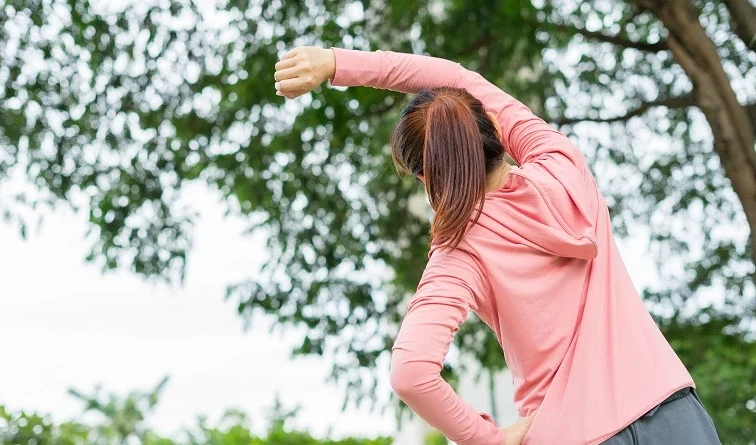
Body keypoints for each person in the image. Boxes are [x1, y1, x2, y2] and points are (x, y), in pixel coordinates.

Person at [272, 45, 723, 445]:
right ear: (493, 126)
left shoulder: (459, 253)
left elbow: (411, 373)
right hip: (672, 412)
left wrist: (488, 439)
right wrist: (335, 62)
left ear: (427, 178)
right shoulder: (563, 165)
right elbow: (457, 78)